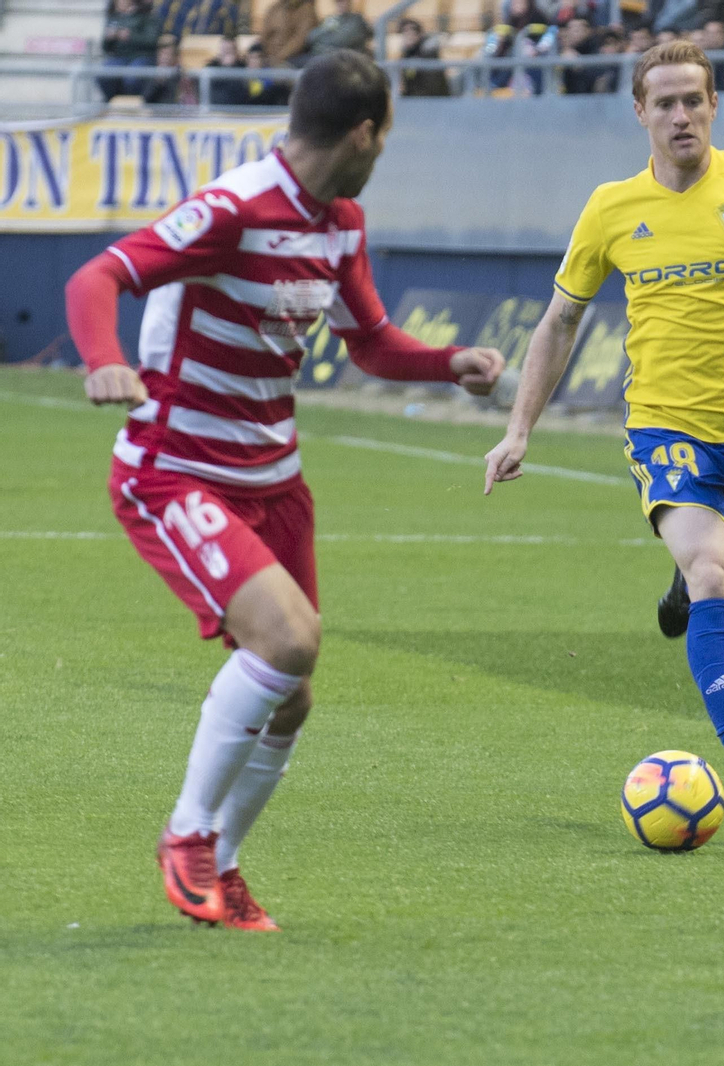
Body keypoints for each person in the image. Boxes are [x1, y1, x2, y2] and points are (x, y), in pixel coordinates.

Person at [63, 51, 506, 931]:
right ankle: (186, 834)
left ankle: (222, 871)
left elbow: (370, 341)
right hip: (176, 467)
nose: (384, 153)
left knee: (292, 691)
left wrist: (446, 363)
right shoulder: (234, 209)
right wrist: (107, 360)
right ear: (365, 131)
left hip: (275, 481)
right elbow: (96, 276)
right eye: (386, 136)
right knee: (290, 641)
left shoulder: (340, 223)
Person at [483, 42, 724, 832]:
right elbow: (561, 321)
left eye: (694, 100)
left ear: (715, 105)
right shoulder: (612, 208)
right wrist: (519, 429)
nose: (681, 115)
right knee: (716, 572)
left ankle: (691, 582)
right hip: (667, 426)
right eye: (665, 103)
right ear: (641, 113)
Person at [100, 0, 162, 99]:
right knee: (104, 75)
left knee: (132, 78)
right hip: (119, 56)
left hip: (141, 56)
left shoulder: (146, 15)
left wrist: (130, 36)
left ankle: (133, 104)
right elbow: (105, 48)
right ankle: (113, 102)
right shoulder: (114, 17)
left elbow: (152, 40)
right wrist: (109, 37)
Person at [303, 0, 374, 61]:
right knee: (293, 62)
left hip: (344, 59)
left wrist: (323, 38)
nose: (340, 4)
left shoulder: (357, 20)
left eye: (343, 1)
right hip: (319, 56)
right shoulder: (331, 19)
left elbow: (342, 40)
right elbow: (310, 37)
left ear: (350, 2)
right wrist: (327, 30)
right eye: (337, 2)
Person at [398, 18, 452, 97]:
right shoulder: (408, 53)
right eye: (405, 33)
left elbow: (433, 85)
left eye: (411, 33)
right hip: (415, 99)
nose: (408, 37)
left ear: (419, 34)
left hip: (431, 101)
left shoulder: (428, 53)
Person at [258, 0, 317, 69]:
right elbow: (265, 35)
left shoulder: (307, 10)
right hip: (270, 57)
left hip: (293, 59)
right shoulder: (274, 8)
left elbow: (301, 39)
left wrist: (280, 57)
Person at [206, 34, 250, 106]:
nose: (227, 55)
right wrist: (226, 68)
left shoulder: (243, 66)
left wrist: (231, 67)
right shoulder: (211, 67)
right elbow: (212, 91)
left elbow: (242, 90)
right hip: (216, 111)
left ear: (236, 52)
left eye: (230, 51)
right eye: (225, 50)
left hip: (239, 111)